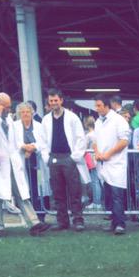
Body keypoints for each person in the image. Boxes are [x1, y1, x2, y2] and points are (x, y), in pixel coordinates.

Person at [0, 91, 49, 237]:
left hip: (11, 160)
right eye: (6, 107)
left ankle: (34, 223)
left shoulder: (9, 120)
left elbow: (14, 140)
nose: (9, 110)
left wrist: (25, 148)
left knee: (21, 192)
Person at [41, 88, 88, 231]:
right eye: (51, 101)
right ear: (48, 102)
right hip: (53, 158)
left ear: (61, 100)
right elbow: (42, 141)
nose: (54, 103)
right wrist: (47, 158)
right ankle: (62, 222)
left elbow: (81, 138)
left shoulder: (72, 117)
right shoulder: (45, 120)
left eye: (56, 100)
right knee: (58, 192)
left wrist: (74, 158)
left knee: (74, 191)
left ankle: (78, 220)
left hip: (69, 157)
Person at [93, 94, 131, 235]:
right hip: (103, 164)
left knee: (117, 195)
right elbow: (95, 141)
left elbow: (124, 141)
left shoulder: (119, 120)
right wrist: (96, 152)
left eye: (99, 106)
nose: (96, 109)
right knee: (108, 196)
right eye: (96, 106)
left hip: (116, 163)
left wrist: (109, 153)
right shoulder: (98, 122)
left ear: (107, 106)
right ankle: (113, 222)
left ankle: (120, 224)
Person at [14, 101, 50, 222]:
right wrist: (24, 147)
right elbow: (14, 142)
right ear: (19, 113)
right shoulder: (15, 126)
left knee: (39, 187)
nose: (25, 114)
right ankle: (30, 216)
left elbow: (43, 142)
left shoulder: (39, 126)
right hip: (23, 161)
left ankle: (41, 214)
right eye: (23, 112)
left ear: (32, 113)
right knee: (26, 189)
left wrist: (33, 147)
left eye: (27, 112)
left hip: (37, 163)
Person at [83, 116, 102, 210]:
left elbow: (84, 148)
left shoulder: (88, 135)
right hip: (97, 158)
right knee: (98, 180)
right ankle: (98, 201)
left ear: (86, 124)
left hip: (91, 159)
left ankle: (96, 202)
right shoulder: (98, 134)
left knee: (94, 181)